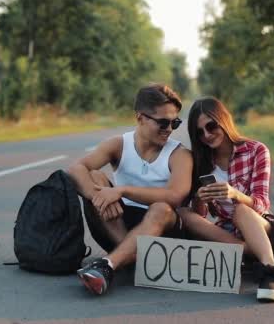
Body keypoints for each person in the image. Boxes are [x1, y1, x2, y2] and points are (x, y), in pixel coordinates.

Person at [67, 84, 193, 296]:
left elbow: (175, 196)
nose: (169, 129)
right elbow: (75, 169)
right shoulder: (118, 144)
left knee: (162, 208)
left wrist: (122, 191)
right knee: (95, 178)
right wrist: (97, 196)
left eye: (175, 122)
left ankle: (109, 265)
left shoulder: (179, 154)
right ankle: (130, 258)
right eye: (163, 122)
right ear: (140, 118)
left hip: (161, 229)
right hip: (117, 224)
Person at [176, 97, 274, 302]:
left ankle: (271, 270)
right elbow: (201, 216)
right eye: (200, 132)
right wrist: (199, 198)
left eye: (211, 126)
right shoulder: (200, 161)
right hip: (227, 231)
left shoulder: (256, 151)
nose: (207, 135)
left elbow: (261, 204)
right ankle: (251, 254)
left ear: (224, 120)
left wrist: (235, 194)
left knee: (241, 210)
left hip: (259, 225)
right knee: (183, 213)